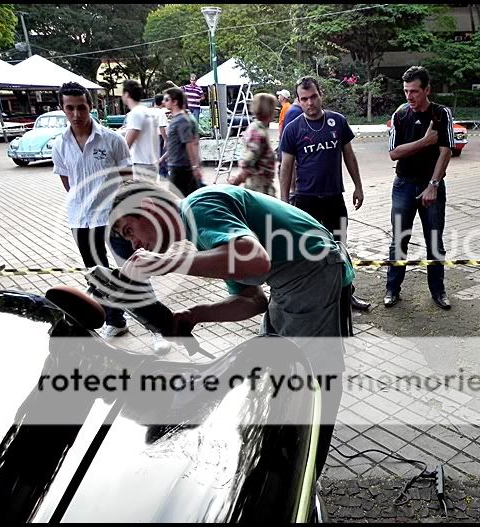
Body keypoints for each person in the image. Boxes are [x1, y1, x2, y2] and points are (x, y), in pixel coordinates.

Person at [109, 180, 355, 477]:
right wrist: (196, 314)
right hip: (292, 281)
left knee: (310, 378)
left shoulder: (197, 207)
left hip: (313, 271)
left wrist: (168, 262)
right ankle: (283, 458)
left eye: (129, 230)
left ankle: (304, 475)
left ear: (147, 207)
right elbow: (251, 300)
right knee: (273, 367)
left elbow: (254, 259)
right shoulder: (202, 234)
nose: (134, 244)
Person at [279, 76, 371, 311]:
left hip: (333, 199)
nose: (310, 103)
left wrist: (358, 186)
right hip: (305, 202)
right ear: (298, 101)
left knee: (340, 248)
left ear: (321, 95)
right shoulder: (293, 129)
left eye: (313, 97)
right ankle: (309, 299)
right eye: (304, 99)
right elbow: (286, 168)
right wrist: (283, 204)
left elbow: (349, 155)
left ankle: (346, 295)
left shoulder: (337, 121)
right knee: (305, 252)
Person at [51, 81, 132, 339]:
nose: (76, 114)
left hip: (113, 217)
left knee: (132, 269)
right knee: (96, 273)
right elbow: (68, 183)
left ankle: (156, 326)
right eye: (70, 108)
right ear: (62, 109)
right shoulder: (59, 145)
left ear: (91, 106)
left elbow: (127, 178)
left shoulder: (112, 139)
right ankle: (115, 319)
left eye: (82, 108)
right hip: (81, 219)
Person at [385, 66, 455, 310]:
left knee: (434, 241)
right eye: (406, 91)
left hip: (432, 185)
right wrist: (425, 141)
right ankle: (392, 289)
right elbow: (394, 153)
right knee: (398, 240)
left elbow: (445, 152)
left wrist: (433, 185)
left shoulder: (441, 114)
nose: (409, 97)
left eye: (414, 91)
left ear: (427, 89)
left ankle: (438, 291)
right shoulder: (401, 114)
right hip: (403, 184)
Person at [228, 93, 277, 196]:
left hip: (260, 186)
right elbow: (248, 162)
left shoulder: (256, 127)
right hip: (259, 188)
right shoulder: (259, 133)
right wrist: (236, 181)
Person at [161, 87, 202, 197]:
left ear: (175, 102)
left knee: (177, 200)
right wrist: (162, 159)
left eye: (166, 99)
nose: (163, 102)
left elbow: (189, 143)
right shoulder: (176, 119)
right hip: (176, 166)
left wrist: (195, 166)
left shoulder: (182, 120)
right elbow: (175, 145)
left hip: (182, 168)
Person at [122, 80, 160, 180]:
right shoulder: (148, 111)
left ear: (126, 94)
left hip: (141, 164)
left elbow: (127, 144)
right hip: (151, 163)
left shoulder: (135, 113)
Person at [278, 94, 303, 205]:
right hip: (287, 156)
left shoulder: (290, 108)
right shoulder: (294, 111)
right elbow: (291, 147)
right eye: (305, 98)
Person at [152, 94, 170, 179]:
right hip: (159, 136)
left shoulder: (149, 111)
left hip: (151, 136)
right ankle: (163, 173)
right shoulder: (161, 113)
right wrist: (165, 139)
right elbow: (161, 127)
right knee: (162, 154)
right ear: (162, 102)